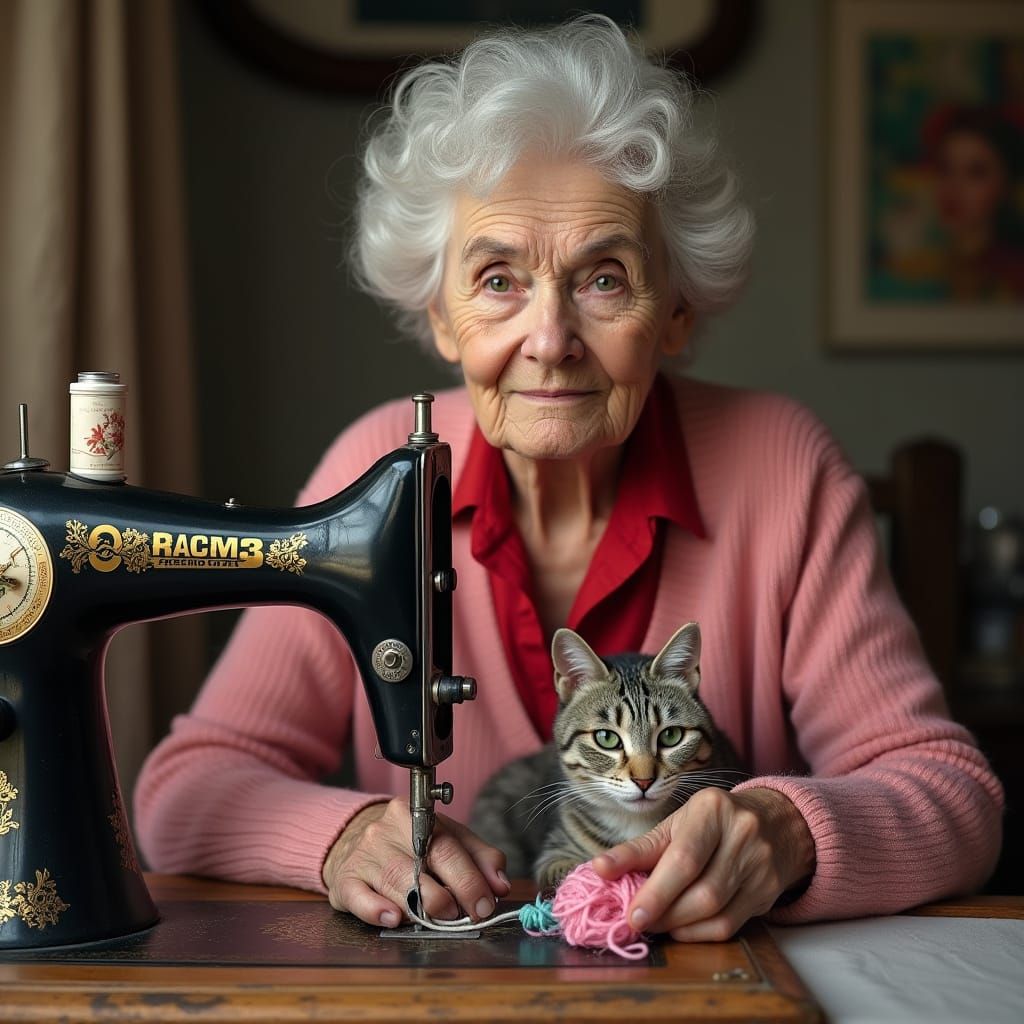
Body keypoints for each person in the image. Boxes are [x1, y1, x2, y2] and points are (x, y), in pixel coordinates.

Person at [135, 16, 1003, 942]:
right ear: (440, 315)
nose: (549, 341)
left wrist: (788, 831)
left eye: (603, 278)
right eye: (499, 279)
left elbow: (955, 796)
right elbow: (185, 789)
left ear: (674, 311)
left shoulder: (781, 464)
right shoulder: (373, 466)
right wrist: (340, 835)